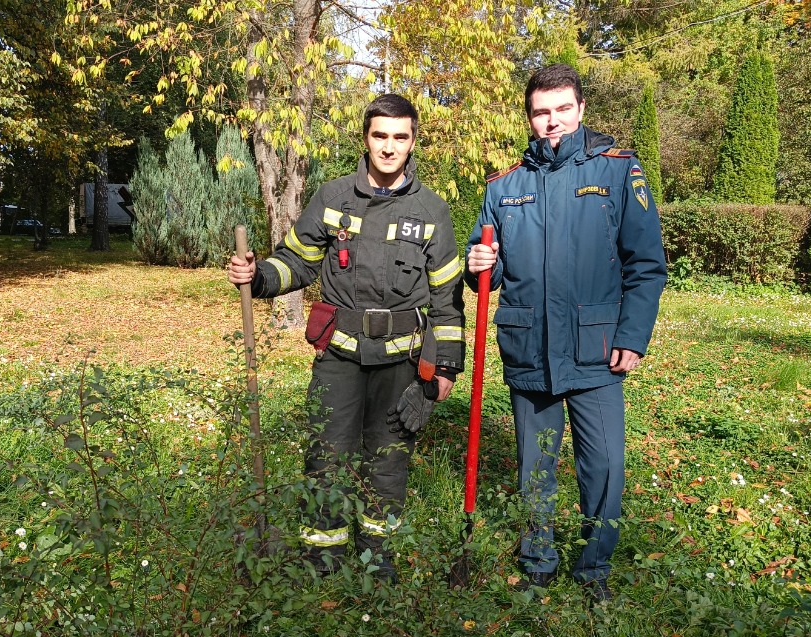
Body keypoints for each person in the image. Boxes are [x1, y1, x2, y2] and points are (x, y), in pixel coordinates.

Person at [228, 94, 465, 581]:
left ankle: (377, 557)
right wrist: (257, 277)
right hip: (339, 355)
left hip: (403, 359)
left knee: (389, 458)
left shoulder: (432, 210)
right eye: (380, 135)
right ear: (366, 138)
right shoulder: (333, 198)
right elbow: (295, 261)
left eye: (400, 137)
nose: (389, 147)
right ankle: (323, 556)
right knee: (326, 454)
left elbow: (447, 297)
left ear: (413, 142)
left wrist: (443, 368)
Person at [465, 64, 667, 602]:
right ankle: (537, 557)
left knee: (602, 465)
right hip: (529, 348)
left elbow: (646, 264)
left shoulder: (618, 172)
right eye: (540, 112)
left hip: (596, 349)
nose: (551, 121)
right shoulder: (504, 186)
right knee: (537, 463)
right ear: (529, 117)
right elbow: (486, 268)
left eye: (561, 109)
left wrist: (633, 335)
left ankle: (594, 566)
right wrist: (479, 261)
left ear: (580, 110)